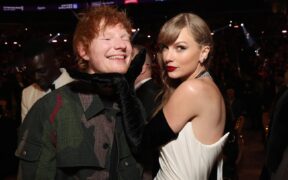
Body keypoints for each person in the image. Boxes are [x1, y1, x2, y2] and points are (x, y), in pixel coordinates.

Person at [15, 6, 145, 180]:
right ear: (83, 50)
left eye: (125, 38)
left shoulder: (135, 107)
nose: (122, 45)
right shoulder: (50, 110)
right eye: (107, 37)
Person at [122, 12, 229, 180]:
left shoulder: (193, 90)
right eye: (165, 47)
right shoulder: (208, 86)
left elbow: (141, 141)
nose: (168, 57)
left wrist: (124, 87)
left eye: (180, 47)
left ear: (204, 52)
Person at [20, 39, 74, 121]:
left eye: (42, 71)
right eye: (31, 73)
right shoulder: (27, 93)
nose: (36, 77)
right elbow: (27, 132)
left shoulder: (80, 89)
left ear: (56, 62)